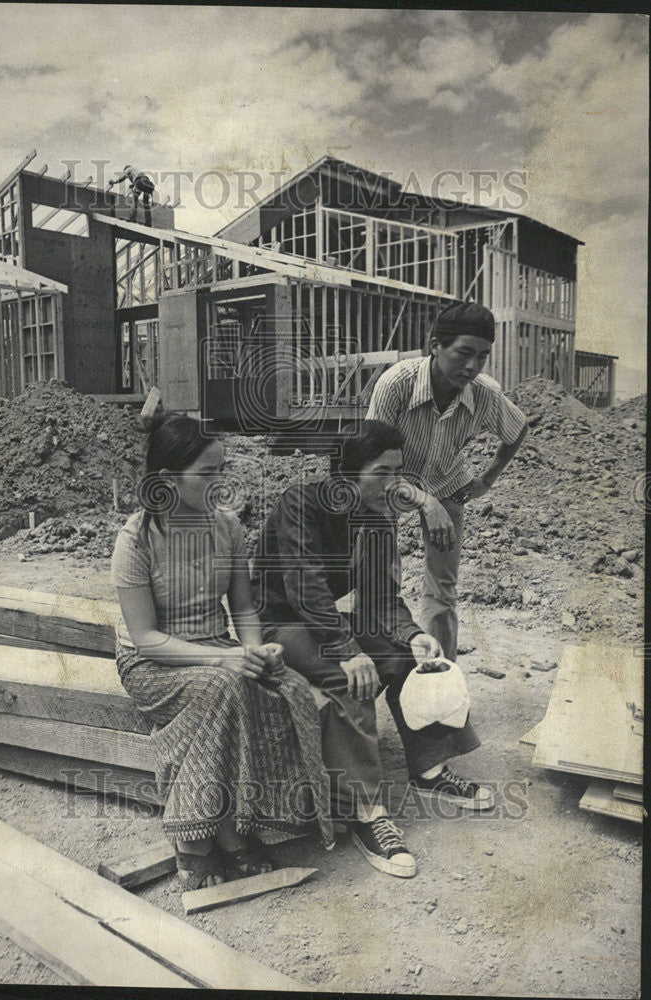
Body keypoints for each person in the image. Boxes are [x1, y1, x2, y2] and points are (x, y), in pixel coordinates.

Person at [251, 420, 492, 880]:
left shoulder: (377, 517)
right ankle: (366, 813)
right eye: (383, 471)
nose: (395, 483)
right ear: (346, 476)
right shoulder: (300, 502)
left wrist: (411, 635)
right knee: (351, 677)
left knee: (406, 659)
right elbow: (306, 587)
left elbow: (381, 598)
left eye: (398, 472)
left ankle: (428, 771)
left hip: (318, 621)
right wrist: (345, 649)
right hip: (276, 621)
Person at [111, 413, 333, 890]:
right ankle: (198, 840)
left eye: (221, 469)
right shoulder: (135, 539)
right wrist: (227, 660)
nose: (220, 482)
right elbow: (146, 637)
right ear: (168, 480)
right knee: (225, 685)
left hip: (218, 648)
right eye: (207, 473)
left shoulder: (227, 527)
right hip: (152, 663)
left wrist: (255, 652)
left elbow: (245, 610)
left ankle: (247, 821)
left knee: (289, 687)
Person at [366, 302, 528, 662]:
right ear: (435, 345)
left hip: (448, 481)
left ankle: (441, 673)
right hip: (390, 485)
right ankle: (392, 668)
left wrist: (486, 479)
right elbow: (373, 464)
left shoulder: (484, 394)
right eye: (464, 353)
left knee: (443, 589)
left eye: (483, 357)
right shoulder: (397, 384)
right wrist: (425, 501)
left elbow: (518, 429)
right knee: (382, 580)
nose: (472, 367)